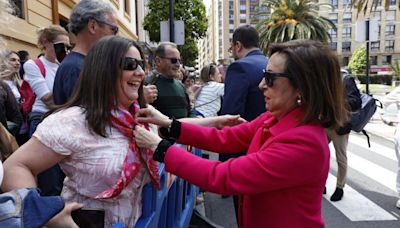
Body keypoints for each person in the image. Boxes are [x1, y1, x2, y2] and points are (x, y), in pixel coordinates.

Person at [134, 40, 348, 227]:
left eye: (271, 78)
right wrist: (169, 125)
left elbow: (222, 176)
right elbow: (225, 138)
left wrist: (160, 148)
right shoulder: (274, 117)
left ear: (302, 87)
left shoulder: (305, 142)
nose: (262, 84)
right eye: (265, 75)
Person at [2, 36, 162, 227]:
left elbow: (177, 130)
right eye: (130, 64)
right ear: (103, 70)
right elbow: (15, 167)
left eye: (141, 65)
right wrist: (45, 213)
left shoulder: (142, 118)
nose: (141, 72)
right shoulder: (72, 122)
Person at [219, 24, 268, 215]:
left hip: (245, 153)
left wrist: (224, 165)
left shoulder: (240, 67)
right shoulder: (271, 63)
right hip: (273, 148)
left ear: (238, 45)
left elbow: (231, 115)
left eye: (231, 48)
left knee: (246, 212)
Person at [53, 0, 118, 105]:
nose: (115, 37)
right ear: (92, 26)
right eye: (113, 30)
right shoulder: (75, 68)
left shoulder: (81, 64)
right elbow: (91, 116)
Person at [325, 69, 361, 201]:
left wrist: (338, 104)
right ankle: (321, 183)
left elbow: (356, 101)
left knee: (341, 157)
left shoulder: (345, 79)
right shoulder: (323, 78)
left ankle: (340, 187)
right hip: (324, 122)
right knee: (320, 154)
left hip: (340, 123)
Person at [145, 42, 193, 118]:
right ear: (158, 61)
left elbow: (190, 111)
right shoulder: (147, 85)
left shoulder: (181, 86)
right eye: (173, 60)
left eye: (179, 61)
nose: (178, 65)